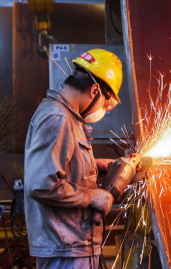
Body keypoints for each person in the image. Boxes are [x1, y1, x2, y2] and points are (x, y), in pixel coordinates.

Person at [24, 49, 124, 269]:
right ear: (95, 89)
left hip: (74, 245)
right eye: (106, 104)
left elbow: (60, 167)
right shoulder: (58, 118)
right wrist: (92, 197)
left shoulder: (68, 117)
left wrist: (95, 167)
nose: (103, 111)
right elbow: (42, 185)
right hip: (66, 249)